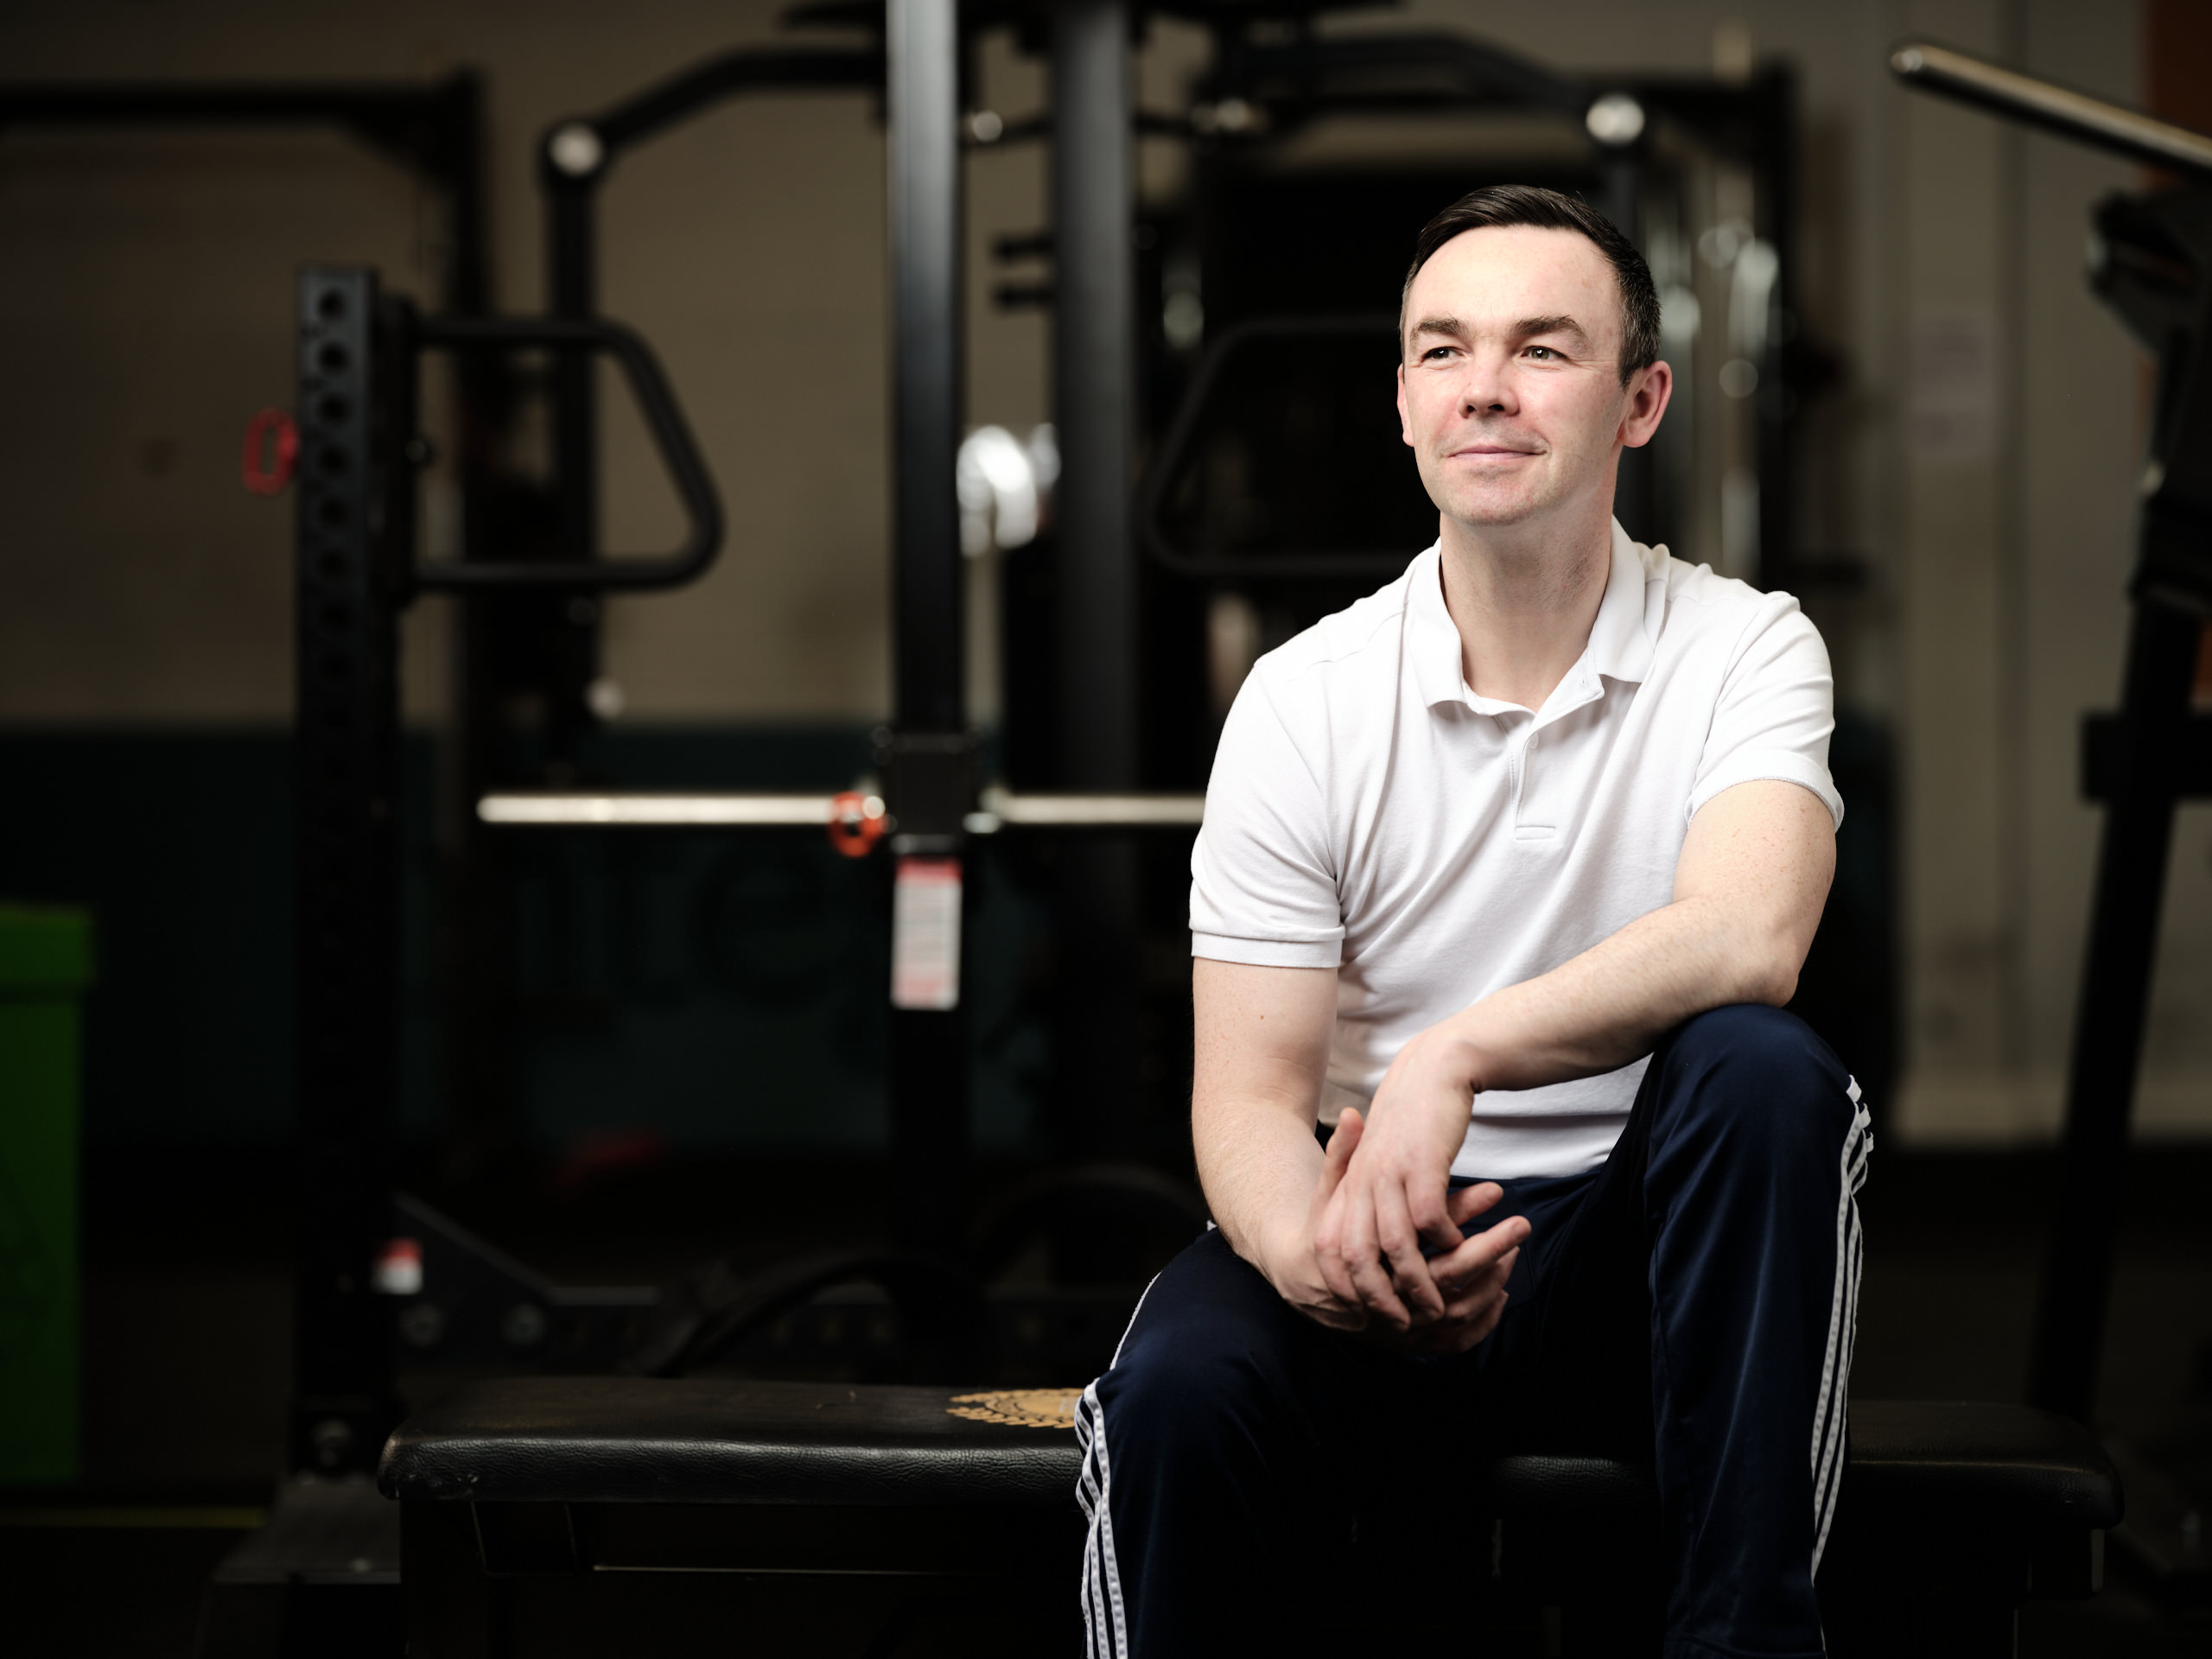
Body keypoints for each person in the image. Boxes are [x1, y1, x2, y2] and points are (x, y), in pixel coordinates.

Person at [1073, 184, 1868, 1659]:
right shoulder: (1305, 697)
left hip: (1638, 1270)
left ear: (1642, 401)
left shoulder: (1747, 644)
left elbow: (1753, 935)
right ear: (1402, 401)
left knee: (1764, 1071)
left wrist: (1450, 1059)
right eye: (1444, 350)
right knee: (1173, 1387)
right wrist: (1322, 1256)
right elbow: (1246, 1098)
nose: (1485, 387)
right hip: (1376, 1218)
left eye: (1541, 350)